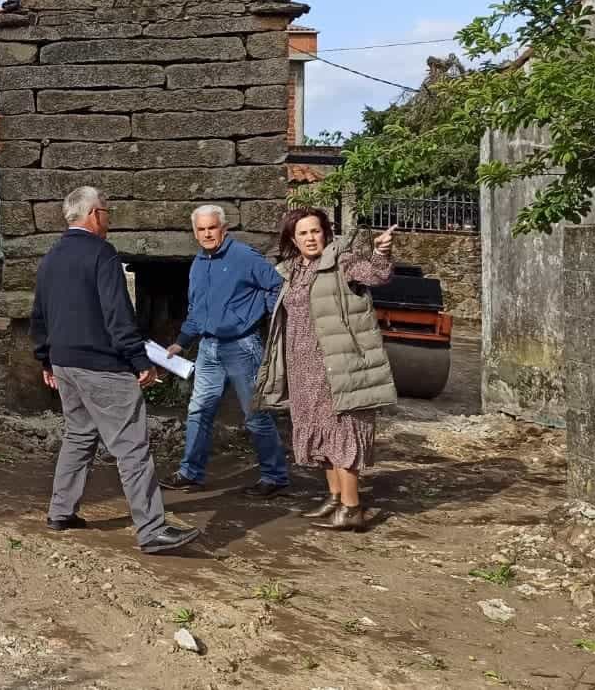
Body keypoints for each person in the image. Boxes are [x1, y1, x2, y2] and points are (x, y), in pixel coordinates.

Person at [31, 186, 202, 555]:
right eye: (107, 211)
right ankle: (152, 530)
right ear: (93, 214)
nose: (109, 218)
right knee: (132, 447)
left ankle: (61, 511)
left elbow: (39, 315)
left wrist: (46, 358)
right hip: (101, 365)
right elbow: (118, 314)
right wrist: (140, 362)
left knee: (79, 436)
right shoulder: (101, 254)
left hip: (65, 364)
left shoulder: (51, 258)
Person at [255, 208, 398, 532]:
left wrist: (380, 252)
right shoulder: (294, 269)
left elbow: (377, 276)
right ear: (293, 239)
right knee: (319, 431)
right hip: (303, 368)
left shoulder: (342, 262)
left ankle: (352, 508)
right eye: (303, 233)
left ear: (326, 233)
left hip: (335, 364)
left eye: (315, 231)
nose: (310, 238)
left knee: (341, 430)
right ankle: (335, 497)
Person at [159, 205, 290, 497]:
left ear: (224, 228)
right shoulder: (198, 263)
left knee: (255, 414)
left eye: (212, 228)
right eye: (201, 229)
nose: (207, 233)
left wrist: (258, 316)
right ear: (195, 233)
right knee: (198, 411)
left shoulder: (244, 257)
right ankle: (190, 473)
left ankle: (275, 476)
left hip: (242, 346)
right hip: (208, 347)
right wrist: (181, 341)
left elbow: (278, 287)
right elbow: (197, 309)